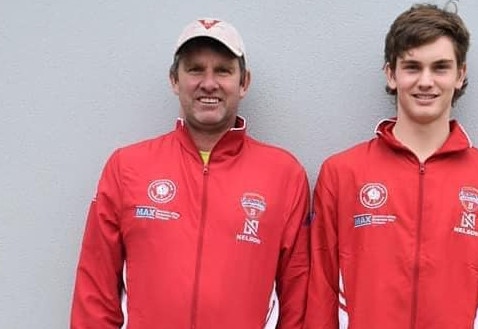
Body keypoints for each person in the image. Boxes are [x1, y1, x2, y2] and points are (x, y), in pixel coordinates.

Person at [305, 4, 478, 329]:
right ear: (391, 74)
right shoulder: (342, 174)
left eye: (440, 67)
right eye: (412, 67)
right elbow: (320, 293)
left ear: (460, 75)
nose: (426, 81)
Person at [71, 18, 310, 329]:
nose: (208, 83)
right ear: (174, 80)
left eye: (223, 70)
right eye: (195, 69)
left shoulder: (284, 174)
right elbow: (95, 288)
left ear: (244, 82)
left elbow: (298, 296)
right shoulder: (127, 167)